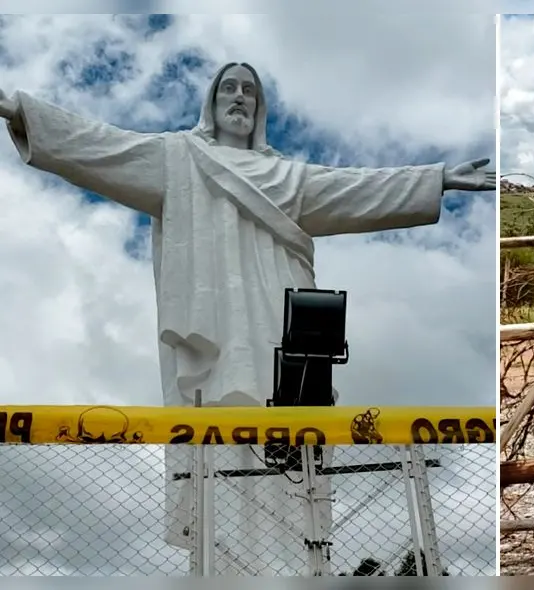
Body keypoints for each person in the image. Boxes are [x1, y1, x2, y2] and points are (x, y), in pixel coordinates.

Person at [0, 61, 495, 575]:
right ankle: (226, 568)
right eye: (229, 89)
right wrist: (22, 111)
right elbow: (101, 145)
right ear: (211, 103)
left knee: (293, 435)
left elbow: (354, 188)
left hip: (282, 324)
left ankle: (301, 566)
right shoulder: (179, 158)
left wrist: (435, 180)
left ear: (259, 110)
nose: (239, 97)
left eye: (250, 92)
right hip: (219, 331)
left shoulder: (286, 176)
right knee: (222, 431)